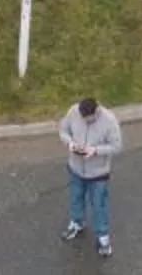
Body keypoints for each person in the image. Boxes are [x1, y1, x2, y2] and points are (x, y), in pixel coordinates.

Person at [60, 95, 121, 256]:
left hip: (98, 173)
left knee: (99, 205)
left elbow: (116, 146)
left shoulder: (109, 120)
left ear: (96, 112)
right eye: (83, 118)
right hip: (76, 168)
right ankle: (77, 223)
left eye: (89, 119)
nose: (86, 121)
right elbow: (63, 130)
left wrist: (96, 151)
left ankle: (103, 238)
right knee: (76, 198)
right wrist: (70, 143)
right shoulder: (73, 112)